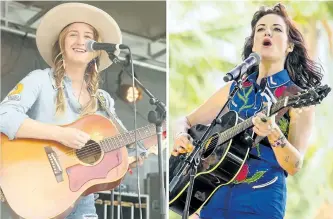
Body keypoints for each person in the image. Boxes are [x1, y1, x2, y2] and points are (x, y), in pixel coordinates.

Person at [0, 3, 157, 219]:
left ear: (96, 50)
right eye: (73, 34)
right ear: (61, 44)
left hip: (82, 201)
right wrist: (60, 134)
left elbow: (113, 148)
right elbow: (4, 116)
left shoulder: (104, 100)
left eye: (88, 36)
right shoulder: (40, 80)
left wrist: (133, 154)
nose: (81, 41)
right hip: (40, 192)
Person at [172, 3, 323, 219]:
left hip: (260, 203)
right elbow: (184, 121)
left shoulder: (297, 96)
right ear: (253, 44)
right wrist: (180, 136)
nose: (267, 32)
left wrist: (273, 133)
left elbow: (295, 165)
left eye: (277, 29)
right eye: (260, 29)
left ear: (290, 46)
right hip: (212, 197)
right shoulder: (235, 88)